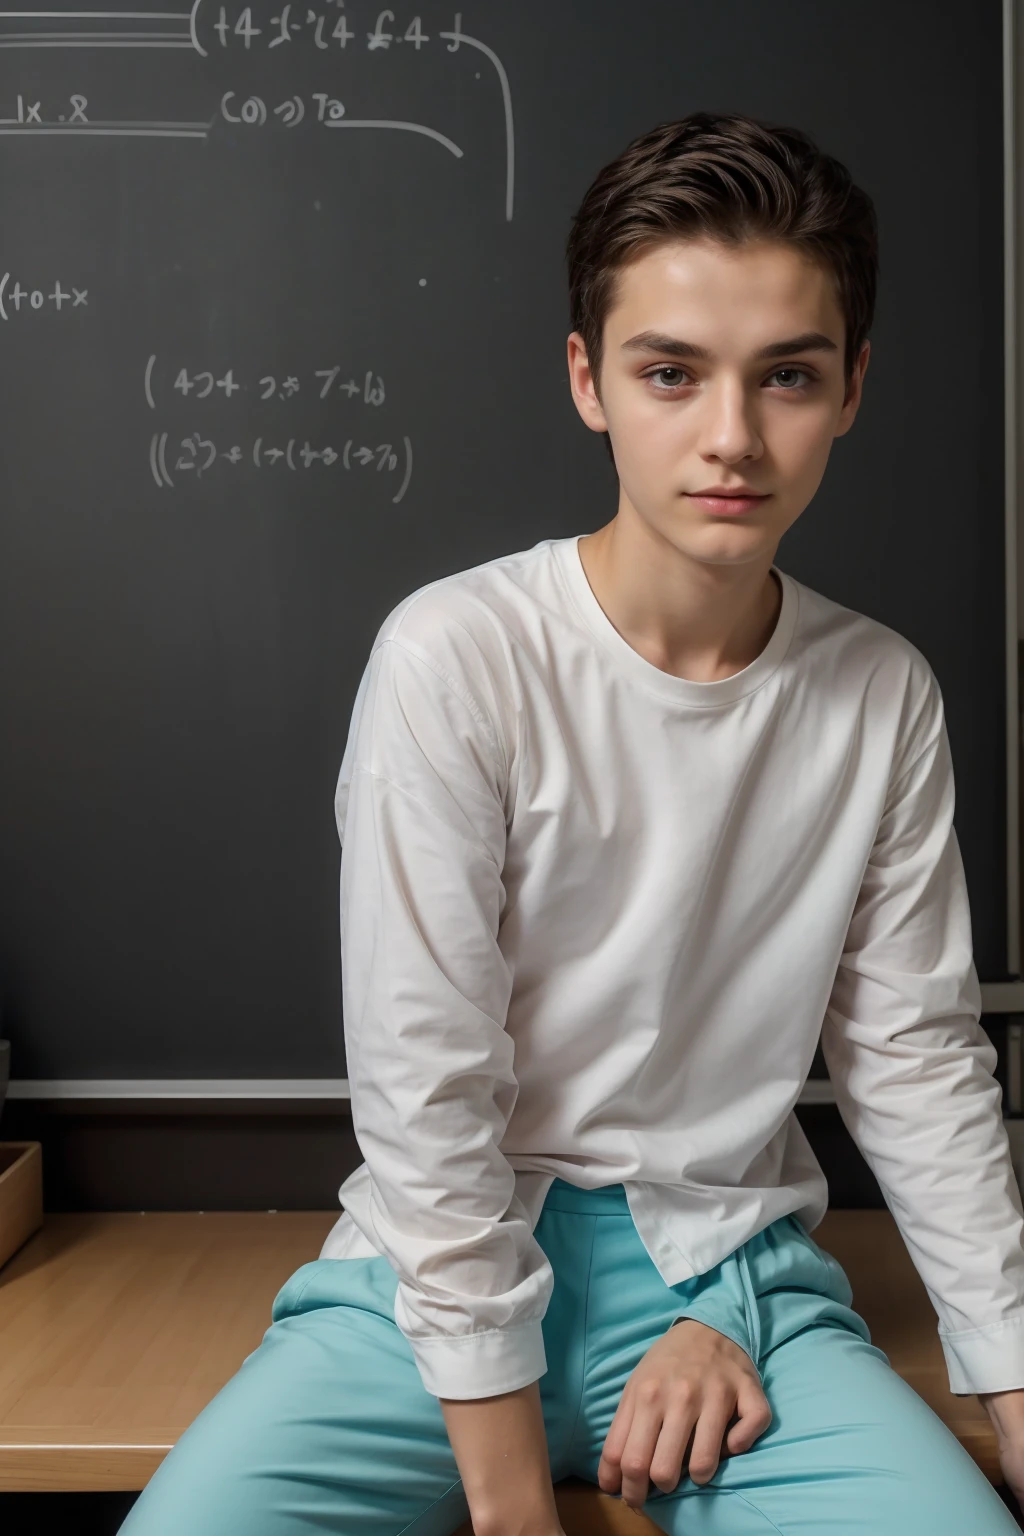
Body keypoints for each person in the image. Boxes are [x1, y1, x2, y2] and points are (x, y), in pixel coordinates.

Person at [118, 111, 1024, 1536]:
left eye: (786, 376)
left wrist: (1018, 1394)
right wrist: (511, 1504)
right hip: (426, 1278)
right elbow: (428, 1095)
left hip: (724, 1288)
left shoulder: (878, 692)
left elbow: (914, 1059)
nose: (731, 436)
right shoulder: (457, 655)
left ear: (851, 387)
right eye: (672, 373)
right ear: (589, 380)